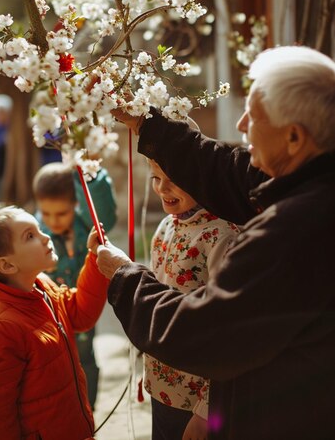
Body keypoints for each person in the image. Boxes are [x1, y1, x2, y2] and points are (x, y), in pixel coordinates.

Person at [96, 45, 335, 440]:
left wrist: (125, 277)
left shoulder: (296, 230)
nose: (241, 125)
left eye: (254, 117)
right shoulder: (311, 180)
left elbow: (206, 332)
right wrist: (147, 124)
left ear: (294, 136)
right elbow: (230, 170)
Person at [0, 205, 107, 440]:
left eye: (39, 229)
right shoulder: (3, 327)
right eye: (30, 236)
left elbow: (80, 315)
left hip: (73, 425)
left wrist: (94, 258)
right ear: (8, 265)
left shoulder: (43, 286)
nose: (45, 237)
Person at [144, 158, 239, 440]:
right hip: (161, 385)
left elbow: (231, 327)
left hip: (197, 399)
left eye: (174, 178)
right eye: (155, 177)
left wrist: (206, 410)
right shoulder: (165, 226)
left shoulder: (223, 235)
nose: (162, 188)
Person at [32, 161, 117, 409]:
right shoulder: (37, 235)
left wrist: (88, 175)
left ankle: (87, 409)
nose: (53, 221)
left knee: (85, 358)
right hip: (48, 314)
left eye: (61, 213)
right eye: (46, 213)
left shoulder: (83, 227)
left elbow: (105, 213)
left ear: (75, 205)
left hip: (80, 309)